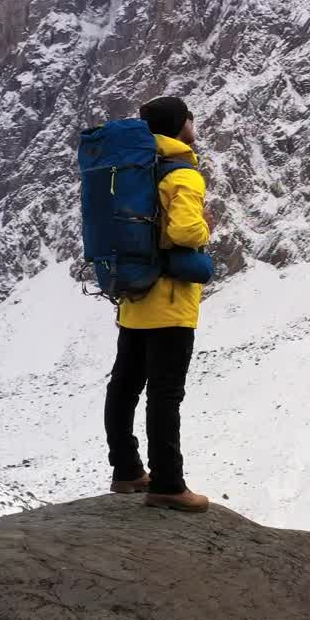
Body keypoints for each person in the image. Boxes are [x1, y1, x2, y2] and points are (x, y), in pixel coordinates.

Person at [104, 96, 211, 513]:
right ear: (181, 125)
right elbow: (185, 231)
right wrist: (206, 226)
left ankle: (126, 470)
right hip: (168, 301)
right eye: (191, 117)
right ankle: (168, 483)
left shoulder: (135, 170)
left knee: (125, 386)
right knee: (165, 395)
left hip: (133, 297)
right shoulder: (181, 172)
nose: (194, 124)